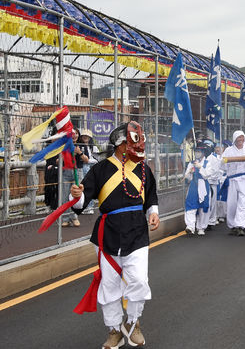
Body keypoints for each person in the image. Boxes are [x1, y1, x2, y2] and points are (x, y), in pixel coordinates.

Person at [69, 121, 159, 348]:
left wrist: (154, 212)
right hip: (106, 234)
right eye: (133, 141)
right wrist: (77, 194)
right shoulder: (100, 169)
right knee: (109, 285)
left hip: (137, 230)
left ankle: (132, 322)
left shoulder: (143, 168)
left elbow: (151, 197)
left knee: (138, 280)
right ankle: (113, 331)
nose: (138, 146)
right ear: (120, 144)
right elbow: (81, 204)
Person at [222, 131, 245, 236]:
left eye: (242, 138)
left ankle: (240, 225)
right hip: (232, 180)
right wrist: (225, 164)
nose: (240, 140)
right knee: (232, 203)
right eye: (238, 138)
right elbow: (222, 165)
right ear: (234, 139)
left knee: (243, 203)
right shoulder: (228, 150)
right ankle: (232, 225)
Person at [183, 144, 212, 236]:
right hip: (193, 186)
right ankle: (190, 227)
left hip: (203, 186)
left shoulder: (207, 163)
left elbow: (207, 175)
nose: (197, 153)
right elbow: (187, 178)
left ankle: (201, 227)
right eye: (196, 151)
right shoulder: (191, 163)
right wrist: (189, 173)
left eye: (199, 151)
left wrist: (200, 167)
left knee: (202, 208)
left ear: (203, 153)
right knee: (191, 205)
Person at [205, 142, 225, 229]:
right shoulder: (210, 158)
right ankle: (209, 220)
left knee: (216, 201)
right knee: (211, 202)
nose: (218, 149)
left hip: (219, 181)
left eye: (220, 147)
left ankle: (213, 219)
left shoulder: (224, 157)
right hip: (211, 182)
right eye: (217, 147)